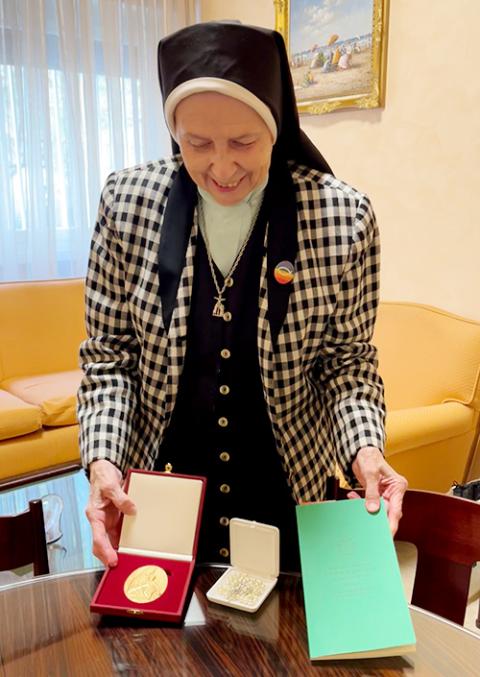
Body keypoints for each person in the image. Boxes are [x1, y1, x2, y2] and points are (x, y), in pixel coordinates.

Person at [78, 21, 407, 573]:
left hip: (287, 490)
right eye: (197, 144)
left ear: (276, 125)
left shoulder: (341, 219)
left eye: (244, 142)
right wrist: (104, 462)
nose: (223, 167)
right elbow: (109, 358)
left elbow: (347, 366)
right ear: (172, 130)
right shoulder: (127, 205)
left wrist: (366, 450)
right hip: (154, 494)